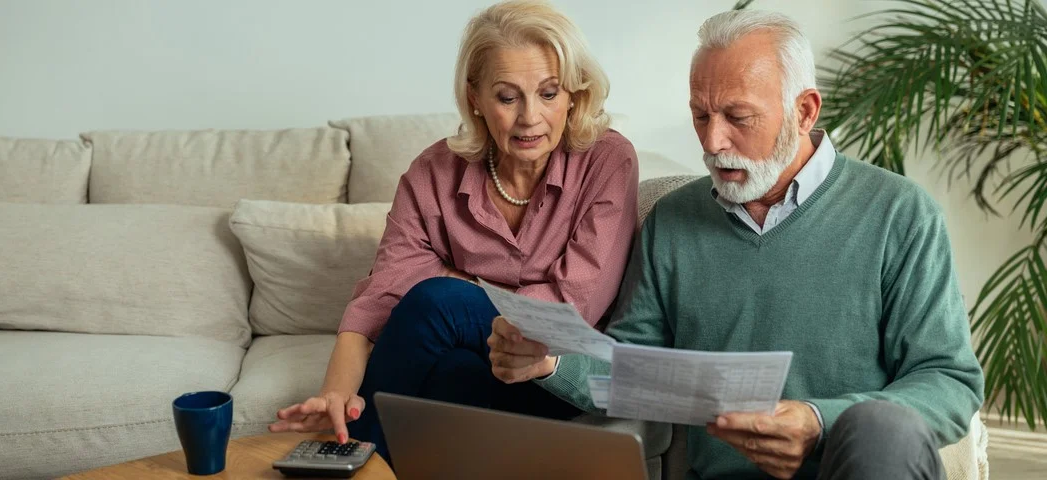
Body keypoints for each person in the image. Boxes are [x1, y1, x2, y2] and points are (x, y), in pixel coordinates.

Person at [488, 9, 984, 480]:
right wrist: (550, 360)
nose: (713, 141)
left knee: (883, 426)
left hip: (851, 466)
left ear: (804, 111)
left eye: (737, 117)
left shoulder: (900, 214)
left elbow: (948, 380)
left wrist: (819, 421)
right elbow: (633, 370)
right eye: (700, 116)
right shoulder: (673, 222)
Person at [267, 0, 640, 461]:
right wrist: (335, 393)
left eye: (548, 93)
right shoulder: (433, 173)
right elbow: (381, 297)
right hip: (482, 374)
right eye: (507, 96)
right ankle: (355, 451)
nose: (530, 117)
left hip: (556, 371)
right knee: (452, 371)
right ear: (476, 97)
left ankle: (342, 461)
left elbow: (573, 304)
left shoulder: (607, 159)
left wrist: (456, 285)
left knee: (435, 301)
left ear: (573, 95)